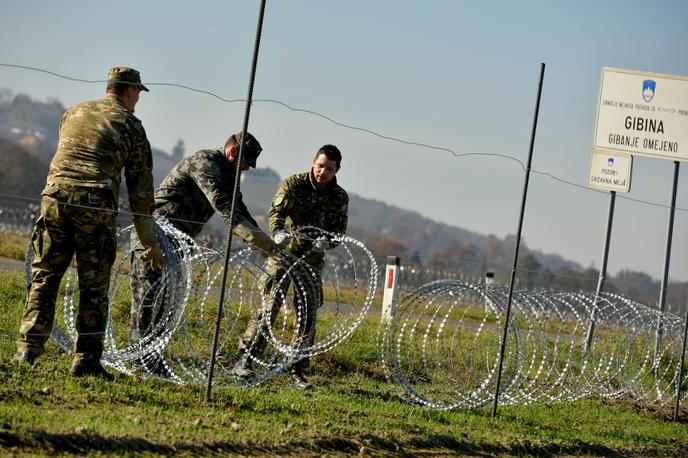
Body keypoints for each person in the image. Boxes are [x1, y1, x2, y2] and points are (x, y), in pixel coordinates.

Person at [14, 67, 164, 380]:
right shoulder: (130, 124)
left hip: (54, 197)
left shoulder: (73, 112)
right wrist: (148, 241)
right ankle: (86, 361)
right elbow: (140, 192)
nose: (137, 100)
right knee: (93, 285)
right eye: (137, 93)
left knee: (44, 273)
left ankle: (27, 348)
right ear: (129, 91)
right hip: (93, 201)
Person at [129, 131, 276, 353]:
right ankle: (137, 357)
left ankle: (152, 357)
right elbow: (222, 202)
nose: (246, 168)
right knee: (148, 299)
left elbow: (239, 208)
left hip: (175, 243)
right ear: (233, 151)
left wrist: (262, 239)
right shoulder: (205, 162)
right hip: (154, 235)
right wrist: (251, 236)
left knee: (166, 303)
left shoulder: (228, 177)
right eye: (245, 162)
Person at [234, 144, 348, 389]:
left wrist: (327, 242)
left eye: (329, 168)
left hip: (311, 262)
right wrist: (277, 232)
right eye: (320, 166)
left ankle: (296, 368)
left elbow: (339, 231)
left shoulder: (339, 197)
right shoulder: (294, 184)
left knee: (307, 314)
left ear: (337, 169)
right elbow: (276, 210)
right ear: (313, 162)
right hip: (283, 255)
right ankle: (247, 359)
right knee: (270, 305)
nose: (322, 172)